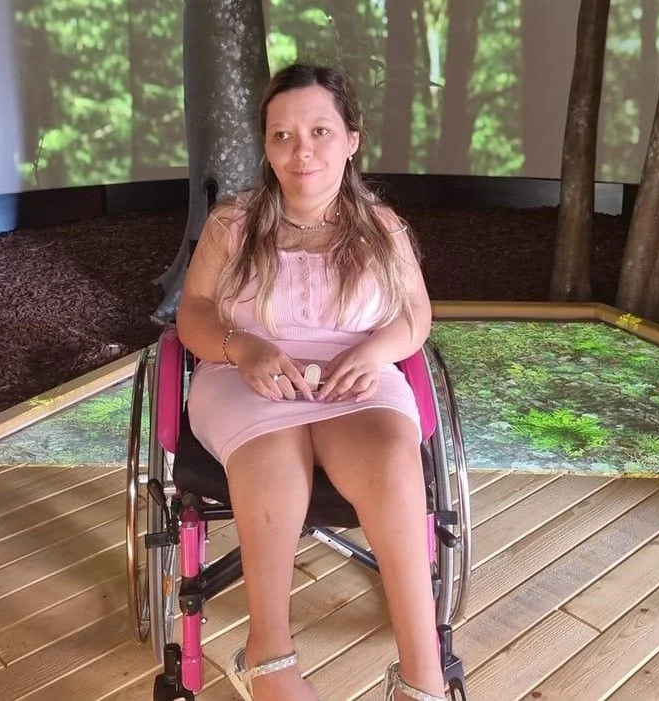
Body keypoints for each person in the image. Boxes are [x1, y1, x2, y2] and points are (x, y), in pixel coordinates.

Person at [176, 63, 445, 701]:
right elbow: (194, 314)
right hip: (245, 373)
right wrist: (243, 348)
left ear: (352, 139)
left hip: (356, 372)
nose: (302, 151)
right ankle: (267, 657)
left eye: (320, 131)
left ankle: (424, 673)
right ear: (267, 147)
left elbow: (415, 314)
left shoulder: (382, 227)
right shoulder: (232, 225)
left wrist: (376, 349)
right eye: (283, 136)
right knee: (274, 459)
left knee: (392, 457)